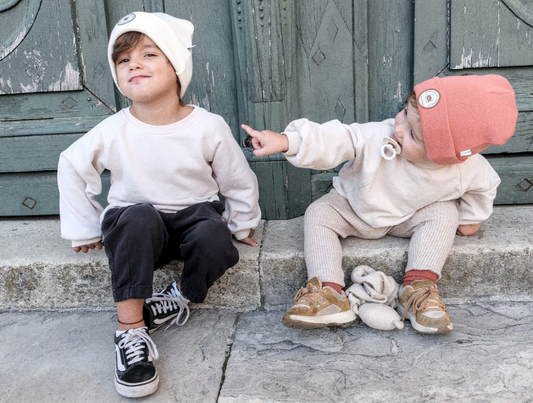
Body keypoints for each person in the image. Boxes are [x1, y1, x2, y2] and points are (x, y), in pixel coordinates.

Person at [58, 11, 260, 398]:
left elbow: (236, 178)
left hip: (193, 215)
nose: (134, 63)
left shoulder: (207, 125)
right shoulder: (114, 128)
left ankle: (177, 296)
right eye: (123, 60)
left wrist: (243, 221)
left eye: (149, 54)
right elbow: (71, 163)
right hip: (137, 226)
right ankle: (131, 331)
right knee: (134, 216)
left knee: (217, 239)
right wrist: (84, 227)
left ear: (176, 66)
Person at [242, 74, 517, 334]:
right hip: (351, 207)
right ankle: (328, 292)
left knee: (445, 212)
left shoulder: (466, 169)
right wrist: (286, 141)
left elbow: (485, 185)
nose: (399, 128)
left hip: (408, 217)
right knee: (319, 213)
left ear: (443, 157)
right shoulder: (378, 135)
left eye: (412, 135)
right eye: (406, 113)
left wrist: (471, 218)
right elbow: (339, 138)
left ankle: (418, 290)